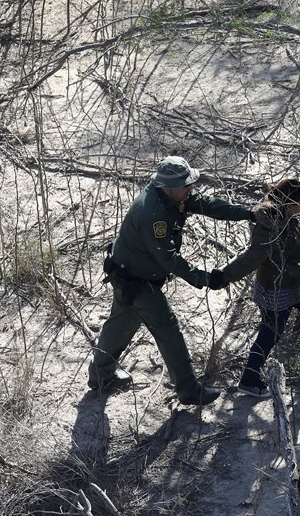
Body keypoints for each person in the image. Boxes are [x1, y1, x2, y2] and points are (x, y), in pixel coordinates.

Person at [87, 155, 266, 406]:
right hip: (136, 281)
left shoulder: (172, 195)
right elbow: (169, 259)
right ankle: (189, 391)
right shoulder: (153, 214)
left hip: (129, 272)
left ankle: (100, 376)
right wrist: (205, 279)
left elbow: (206, 204)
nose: (191, 188)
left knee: (119, 326)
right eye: (186, 185)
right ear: (168, 186)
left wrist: (248, 214)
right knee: (169, 332)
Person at [207, 177, 300, 396]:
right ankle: (249, 380)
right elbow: (252, 257)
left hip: (295, 283)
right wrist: (224, 276)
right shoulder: (269, 225)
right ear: (289, 203)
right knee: (270, 334)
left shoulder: (286, 217)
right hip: (276, 289)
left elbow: (287, 248)